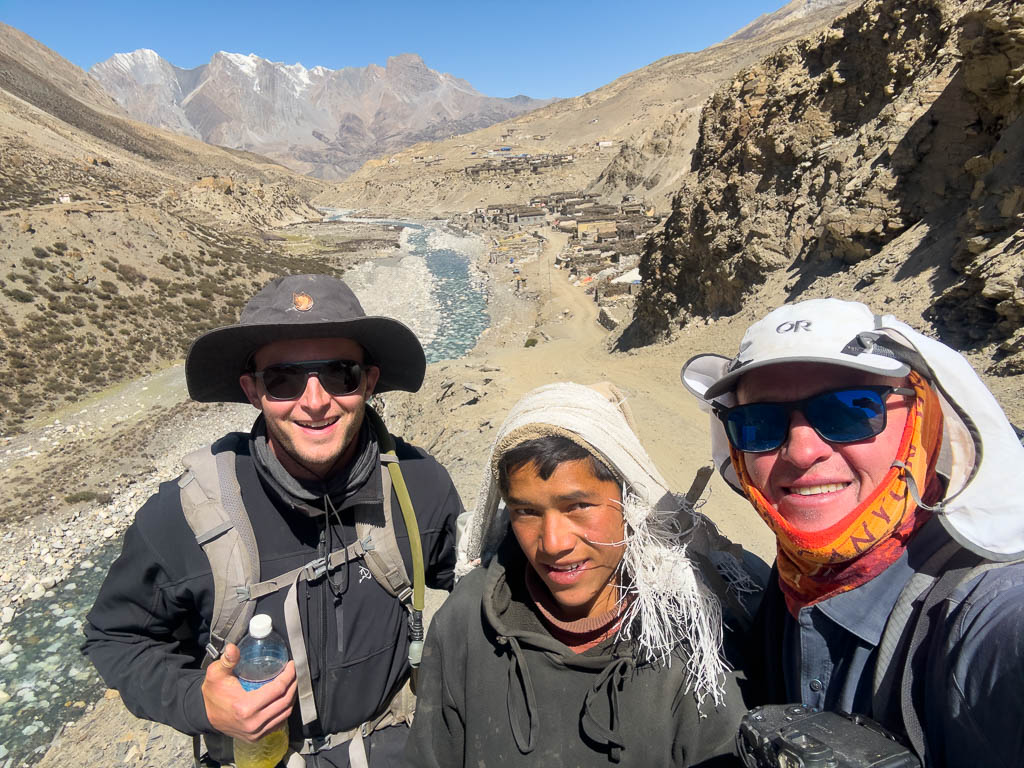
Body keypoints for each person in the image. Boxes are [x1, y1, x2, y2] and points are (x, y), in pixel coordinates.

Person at [83, 274, 462, 768]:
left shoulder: (419, 486)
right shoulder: (185, 516)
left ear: (368, 382)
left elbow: (483, 586)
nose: (315, 401)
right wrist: (199, 701)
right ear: (253, 390)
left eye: (340, 374)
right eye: (284, 379)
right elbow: (116, 637)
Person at [680, 298, 1024, 767]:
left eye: (850, 411)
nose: (802, 452)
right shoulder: (794, 580)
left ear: (922, 422)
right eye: (759, 423)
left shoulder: (985, 613)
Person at [408, 381, 760, 767]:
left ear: (627, 500)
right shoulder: (466, 621)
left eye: (578, 506)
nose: (554, 543)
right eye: (526, 512)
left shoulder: (692, 640)